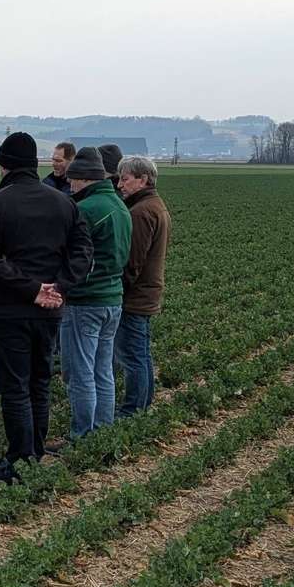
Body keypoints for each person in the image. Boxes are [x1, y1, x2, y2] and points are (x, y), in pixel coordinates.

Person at [0, 132, 92, 483]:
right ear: (34, 163)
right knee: (40, 381)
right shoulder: (64, 202)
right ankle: (36, 451)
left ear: (3, 165)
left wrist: (30, 289)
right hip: (50, 309)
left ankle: (19, 460)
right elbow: (83, 251)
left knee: (14, 385)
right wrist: (59, 286)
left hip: (8, 308)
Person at [58, 147, 132, 441]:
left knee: (80, 372)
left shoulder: (86, 210)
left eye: (73, 179)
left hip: (85, 300)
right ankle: (103, 429)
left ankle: (82, 434)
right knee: (103, 369)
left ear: (84, 179)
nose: (70, 184)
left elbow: (70, 254)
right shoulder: (119, 206)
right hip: (113, 298)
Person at [115, 156, 171, 416]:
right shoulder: (155, 205)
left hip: (136, 297)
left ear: (143, 179)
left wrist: (118, 290)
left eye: (125, 179)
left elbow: (132, 262)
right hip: (148, 292)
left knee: (133, 355)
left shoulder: (140, 212)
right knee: (141, 352)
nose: (119, 185)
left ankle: (133, 409)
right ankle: (143, 404)